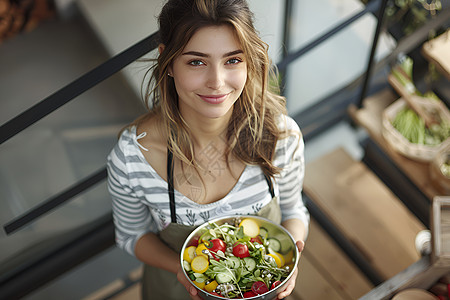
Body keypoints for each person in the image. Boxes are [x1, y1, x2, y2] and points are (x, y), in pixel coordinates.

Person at [106, 0, 310, 299]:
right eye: (197, 62)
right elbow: (132, 236)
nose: (217, 82)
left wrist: (291, 255)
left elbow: (294, 210)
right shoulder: (131, 159)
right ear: (168, 62)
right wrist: (180, 268)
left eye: (232, 60)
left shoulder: (281, 136)